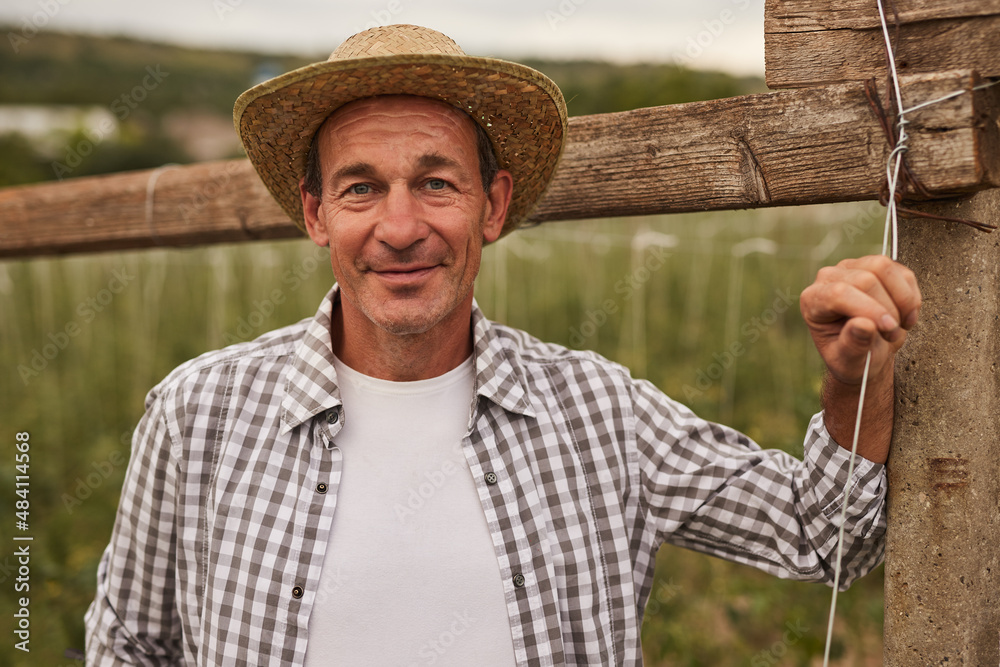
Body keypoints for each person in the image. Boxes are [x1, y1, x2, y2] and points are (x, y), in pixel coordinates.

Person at [85, 24, 921, 666]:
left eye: (436, 181)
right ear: (316, 215)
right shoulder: (199, 412)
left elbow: (827, 538)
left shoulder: (598, 411)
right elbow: (127, 645)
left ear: (493, 205)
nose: (401, 226)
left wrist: (855, 377)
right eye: (362, 187)